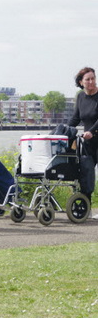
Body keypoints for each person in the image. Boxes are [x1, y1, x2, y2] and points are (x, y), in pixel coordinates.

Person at [68, 67, 98, 220]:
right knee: (86, 175)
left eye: (93, 78)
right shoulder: (80, 97)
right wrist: (63, 131)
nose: (91, 81)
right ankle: (86, 210)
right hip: (89, 143)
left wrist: (92, 131)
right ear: (81, 82)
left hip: (93, 135)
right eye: (88, 79)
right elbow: (76, 118)